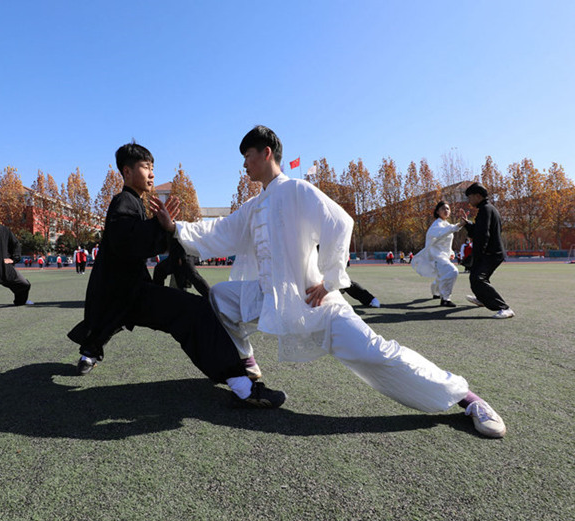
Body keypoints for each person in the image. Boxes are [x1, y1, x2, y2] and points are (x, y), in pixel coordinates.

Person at [170, 126, 506, 438]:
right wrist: (175, 229)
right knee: (220, 298)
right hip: (270, 300)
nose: (244, 164)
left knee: (378, 354)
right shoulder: (254, 206)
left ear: (266, 153)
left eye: (247, 156)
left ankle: (467, 398)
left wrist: (330, 281)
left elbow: (340, 223)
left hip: (315, 305)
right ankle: (246, 364)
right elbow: (219, 232)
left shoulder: (297, 189)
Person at [67, 142, 284, 407]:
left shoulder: (134, 202)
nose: (152, 174)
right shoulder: (124, 201)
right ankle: (243, 387)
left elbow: (136, 242)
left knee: (112, 319)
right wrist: (161, 228)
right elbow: (127, 242)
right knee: (195, 312)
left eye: (153, 168)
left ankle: (89, 352)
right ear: (126, 171)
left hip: (125, 293)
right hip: (127, 293)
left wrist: (166, 229)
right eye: (146, 167)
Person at [458, 183, 515, 319]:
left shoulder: (485, 210)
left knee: (478, 278)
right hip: (492, 252)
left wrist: (478, 255)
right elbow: (479, 231)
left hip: (491, 253)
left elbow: (483, 235)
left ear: (478, 196)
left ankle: (504, 308)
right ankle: (482, 299)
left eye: (470, 197)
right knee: (477, 277)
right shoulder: (488, 209)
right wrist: (468, 224)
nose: (469, 200)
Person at [411, 201, 464, 307]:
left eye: (448, 209)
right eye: (443, 208)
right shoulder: (436, 225)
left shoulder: (446, 224)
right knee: (452, 271)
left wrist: (451, 252)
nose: (446, 211)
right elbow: (442, 232)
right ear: (437, 211)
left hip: (444, 256)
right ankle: (445, 299)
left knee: (441, 275)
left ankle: (435, 292)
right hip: (436, 256)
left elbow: (446, 239)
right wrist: (459, 225)